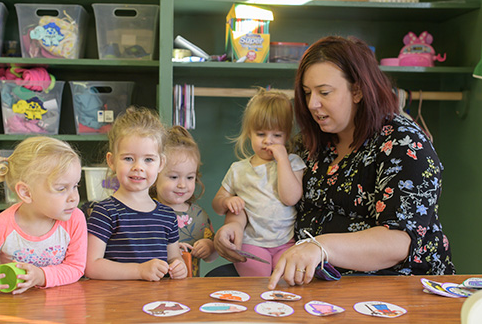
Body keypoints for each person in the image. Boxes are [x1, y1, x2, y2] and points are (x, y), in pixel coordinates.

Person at [214, 36, 455, 288]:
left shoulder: (404, 143)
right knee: (216, 283)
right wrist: (234, 226)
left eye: (324, 92)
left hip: (397, 283)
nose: (312, 104)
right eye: (307, 93)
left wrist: (319, 247)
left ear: (358, 91)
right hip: (314, 275)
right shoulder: (308, 145)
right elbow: (266, 201)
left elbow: (398, 242)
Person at [212, 88, 306, 276]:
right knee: (257, 286)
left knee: (288, 279)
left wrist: (282, 160)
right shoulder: (239, 169)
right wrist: (226, 201)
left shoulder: (293, 163)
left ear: (287, 135)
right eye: (261, 134)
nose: (268, 141)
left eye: (277, 135)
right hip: (251, 243)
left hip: (286, 243)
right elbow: (217, 204)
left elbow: (291, 198)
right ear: (249, 133)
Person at [86, 106, 187, 281]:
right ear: (111, 161)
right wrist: (139, 271)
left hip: (157, 304)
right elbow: (91, 266)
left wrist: (179, 266)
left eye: (148, 159)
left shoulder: (167, 215)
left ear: (161, 163)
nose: (138, 167)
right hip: (117, 304)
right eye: (128, 158)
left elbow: (173, 257)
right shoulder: (104, 212)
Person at [0, 136, 86, 294]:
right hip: (13, 308)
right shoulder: (0, 226)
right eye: (61, 188)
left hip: (60, 304)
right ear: (26, 192)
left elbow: (76, 268)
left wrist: (41, 276)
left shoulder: (75, 219)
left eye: (75, 185)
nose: (74, 197)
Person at [151, 125, 217, 277]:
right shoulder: (146, 211)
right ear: (155, 176)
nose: (182, 185)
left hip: (188, 289)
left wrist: (208, 247)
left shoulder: (199, 216)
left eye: (190, 177)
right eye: (174, 177)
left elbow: (212, 256)